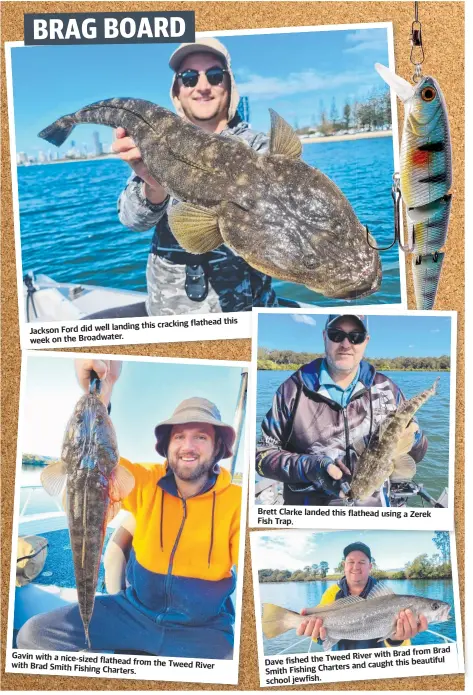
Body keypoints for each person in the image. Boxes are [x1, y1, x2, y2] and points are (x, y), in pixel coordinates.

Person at [17, 359, 242, 659]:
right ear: (167, 445)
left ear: (217, 448)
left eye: (200, 436)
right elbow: (97, 454)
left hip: (203, 629)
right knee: (34, 636)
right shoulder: (145, 480)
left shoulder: (238, 502)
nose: (188, 445)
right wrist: (103, 390)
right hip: (134, 614)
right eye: (179, 436)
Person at [87, 38, 277, 319]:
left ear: (229, 84)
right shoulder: (155, 142)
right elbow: (132, 220)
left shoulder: (263, 148)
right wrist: (154, 185)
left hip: (249, 314)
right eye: (188, 78)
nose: (202, 86)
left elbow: (279, 228)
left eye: (214, 75)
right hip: (170, 315)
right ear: (177, 92)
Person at [256, 314, 428, 506]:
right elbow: (262, 458)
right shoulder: (291, 391)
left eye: (356, 336)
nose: (346, 344)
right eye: (336, 335)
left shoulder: (387, 389)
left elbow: (416, 455)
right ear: (324, 337)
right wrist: (313, 468)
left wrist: (414, 436)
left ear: (366, 341)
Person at [296, 542, 428, 650]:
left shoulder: (387, 598)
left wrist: (397, 640)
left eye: (362, 562)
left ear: (370, 566)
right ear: (344, 565)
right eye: (351, 562)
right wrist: (315, 634)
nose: (356, 567)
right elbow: (320, 639)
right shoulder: (331, 593)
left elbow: (402, 647)